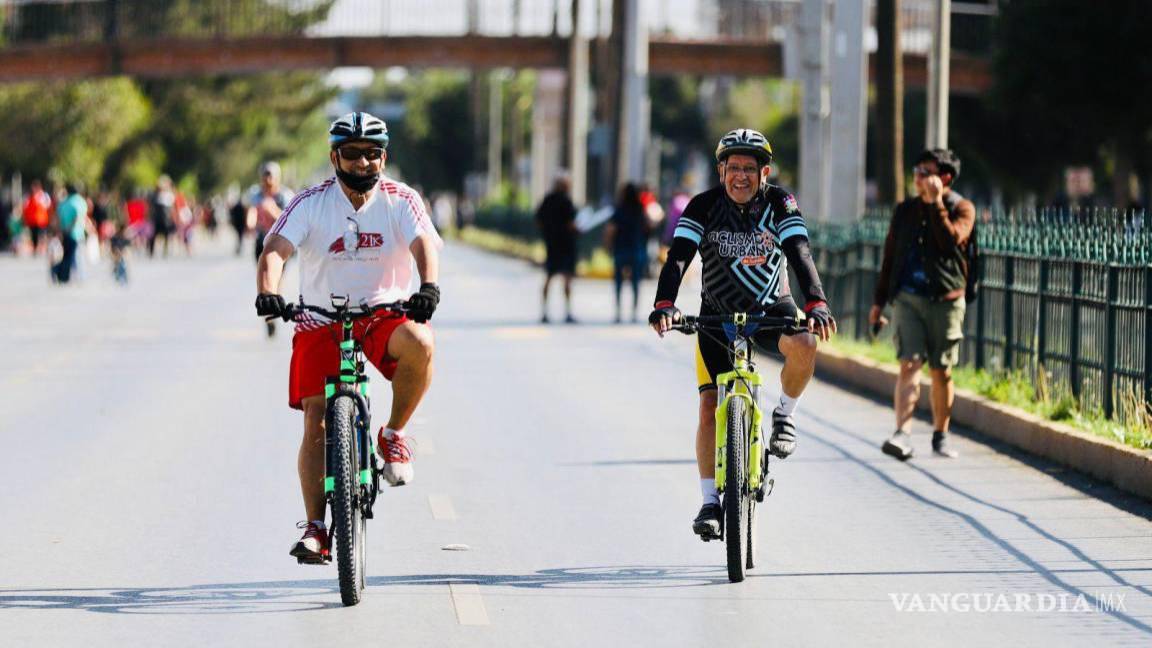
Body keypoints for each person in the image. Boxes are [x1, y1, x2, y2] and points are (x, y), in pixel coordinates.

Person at [254, 111, 442, 564]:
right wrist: (268, 293)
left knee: (421, 343)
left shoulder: (402, 199)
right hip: (321, 317)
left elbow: (423, 247)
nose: (362, 163)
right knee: (316, 419)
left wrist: (428, 287)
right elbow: (275, 250)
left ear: (384, 157)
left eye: (372, 155)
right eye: (353, 154)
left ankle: (394, 432)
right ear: (334, 155)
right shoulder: (309, 202)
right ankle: (316, 528)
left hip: (383, 312)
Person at [648, 128, 836, 540]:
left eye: (750, 169)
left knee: (806, 343)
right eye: (733, 168)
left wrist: (816, 302)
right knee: (708, 405)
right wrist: (665, 303)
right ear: (721, 171)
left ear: (764, 172)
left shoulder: (780, 203)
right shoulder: (702, 206)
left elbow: (800, 253)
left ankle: (784, 415)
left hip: (772, 310)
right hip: (716, 317)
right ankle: (710, 502)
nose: (741, 177)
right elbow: (678, 258)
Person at [870, 149, 974, 461]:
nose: (918, 177)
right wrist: (879, 303)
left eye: (926, 172)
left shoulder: (962, 209)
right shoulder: (905, 211)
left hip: (946, 300)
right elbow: (891, 256)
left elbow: (950, 241)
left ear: (945, 178)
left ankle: (941, 434)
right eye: (916, 170)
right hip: (908, 299)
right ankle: (902, 433)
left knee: (941, 370)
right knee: (909, 363)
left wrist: (936, 204)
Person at [248, 162, 295, 337]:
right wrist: (251, 222)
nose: (267, 180)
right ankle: (269, 316)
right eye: (264, 176)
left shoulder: (285, 196)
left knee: (277, 281)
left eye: (271, 176)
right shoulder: (256, 195)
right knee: (264, 279)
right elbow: (252, 213)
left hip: (280, 244)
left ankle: (272, 312)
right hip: (261, 243)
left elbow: (290, 220)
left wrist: (272, 210)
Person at [534, 172, 578, 323]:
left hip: (551, 244)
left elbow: (538, 220)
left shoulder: (547, 200)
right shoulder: (566, 201)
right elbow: (571, 224)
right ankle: (567, 312)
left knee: (549, 277)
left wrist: (548, 231)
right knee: (566, 279)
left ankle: (544, 312)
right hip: (565, 245)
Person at [605, 182, 651, 323]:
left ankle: (618, 312)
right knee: (635, 282)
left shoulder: (619, 210)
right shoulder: (640, 209)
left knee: (618, 281)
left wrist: (608, 245)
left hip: (621, 249)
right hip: (636, 249)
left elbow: (611, 230)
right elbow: (648, 226)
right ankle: (634, 312)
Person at [51, 184, 88, 284]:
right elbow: (79, 217)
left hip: (64, 233)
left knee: (67, 255)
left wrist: (59, 231)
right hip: (76, 233)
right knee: (75, 256)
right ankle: (74, 276)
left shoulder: (63, 202)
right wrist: (70, 228)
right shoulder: (80, 201)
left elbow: (57, 218)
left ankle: (63, 275)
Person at [148, 175, 176, 258]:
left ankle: (165, 250)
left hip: (165, 219)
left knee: (166, 235)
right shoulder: (154, 195)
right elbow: (151, 207)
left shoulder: (169, 195)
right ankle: (151, 252)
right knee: (153, 235)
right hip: (156, 218)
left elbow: (171, 209)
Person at [22, 180, 51, 256]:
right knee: (34, 235)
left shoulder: (43, 196)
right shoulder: (29, 196)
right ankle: (35, 249)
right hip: (32, 221)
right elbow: (25, 207)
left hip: (42, 221)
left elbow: (48, 206)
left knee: (42, 235)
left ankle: (43, 249)